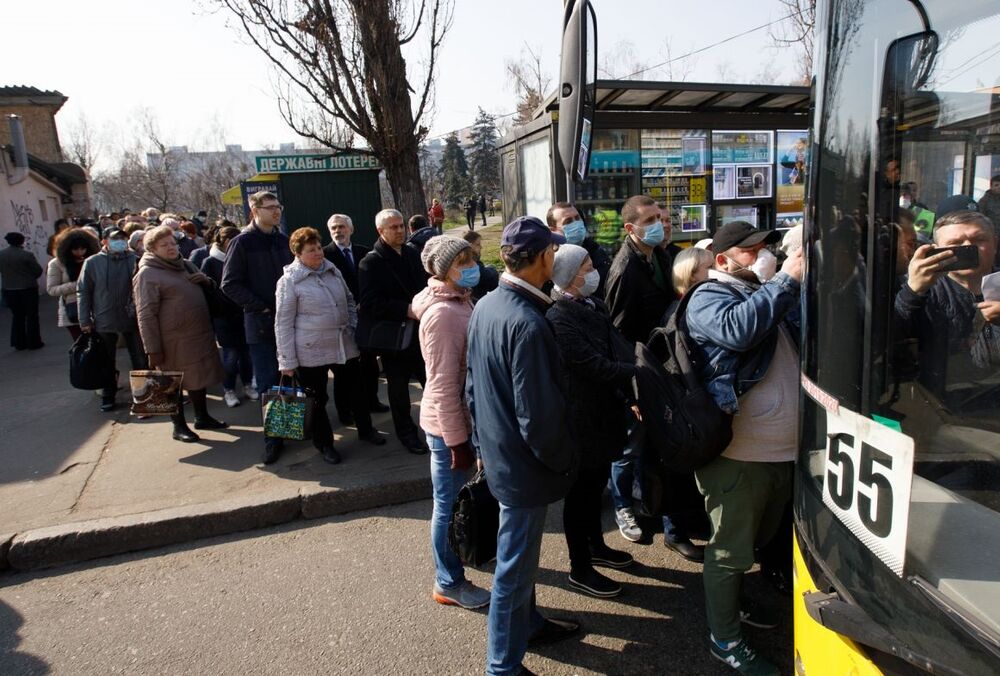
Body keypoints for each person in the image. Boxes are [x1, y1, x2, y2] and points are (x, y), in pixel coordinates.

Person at [683, 220, 804, 675]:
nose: (764, 255)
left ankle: (734, 607)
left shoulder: (771, 294)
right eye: (752, 250)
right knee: (730, 552)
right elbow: (738, 332)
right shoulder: (708, 297)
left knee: (754, 541)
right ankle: (725, 639)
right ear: (722, 260)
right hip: (739, 456)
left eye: (766, 247)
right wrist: (787, 278)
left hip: (780, 451)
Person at [466, 216, 580, 675]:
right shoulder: (527, 322)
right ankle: (502, 666)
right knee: (513, 570)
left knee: (521, 559)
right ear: (539, 259)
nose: (557, 256)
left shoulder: (489, 304)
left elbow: (473, 387)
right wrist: (566, 459)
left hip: (500, 455)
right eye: (552, 251)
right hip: (522, 466)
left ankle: (528, 625)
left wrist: (480, 443)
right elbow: (539, 418)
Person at [546, 244, 636, 599]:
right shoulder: (559, 317)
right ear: (569, 276)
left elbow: (613, 348)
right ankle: (579, 566)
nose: (593, 270)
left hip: (604, 414)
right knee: (581, 494)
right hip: (582, 420)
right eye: (586, 266)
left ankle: (597, 546)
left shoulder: (591, 304)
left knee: (596, 486)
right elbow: (593, 365)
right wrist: (639, 374)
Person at [410, 235, 491, 610]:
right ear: (442, 271)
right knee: (448, 505)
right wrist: (457, 442)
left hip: (460, 421)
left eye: (471, 258)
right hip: (447, 428)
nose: (471, 267)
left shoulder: (459, 299)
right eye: (462, 262)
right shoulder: (443, 315)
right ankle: (448, 581)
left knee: (453, 501)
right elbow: (441, 385)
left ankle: (458, 562)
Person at [603, 195, 679, 550]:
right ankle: (623, 507)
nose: (660, 224)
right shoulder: (624, 269)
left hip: (658, 367)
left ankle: (649, 501)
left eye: (661, 217)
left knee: (653, 443)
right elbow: (616, 333)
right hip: (637, 373)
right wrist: (629, 389)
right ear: (631, 228)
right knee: (628, 447)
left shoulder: (659, 255)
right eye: (650, 220)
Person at [275, 227, 386, 464]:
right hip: (309, 349)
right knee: (316, 398)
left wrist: (353, 326)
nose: (317, 253)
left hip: (343, 343)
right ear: (298, 253)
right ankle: (324, 443)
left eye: (318, 247)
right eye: (311, 250)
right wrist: (286, 361)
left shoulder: (331, 270)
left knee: (357, 389)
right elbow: (282, 323)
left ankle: (366, 430)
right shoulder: (289, 281)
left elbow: (348, 299)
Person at [894, 210, 1000, 408]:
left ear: (995, 244)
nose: (968, 247)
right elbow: (887, 344)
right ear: (938, 250)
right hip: (938, 408)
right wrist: (912, 292)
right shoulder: (924, 288)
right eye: (956, 243)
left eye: (979, 239)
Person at [134, 225, 228, 443]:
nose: (171, 248)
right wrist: (152, 349)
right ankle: (178, 426)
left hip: (198, 335)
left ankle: (202, 417)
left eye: (173, 243)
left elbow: (210, 287)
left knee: (199, 377)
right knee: (170, 382)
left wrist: (206, 281)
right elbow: (145, 314)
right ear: (152, 249)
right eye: (164, 245)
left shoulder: (185, 264)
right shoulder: (148, 273)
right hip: (171, 341)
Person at [221, 190, 294, 464]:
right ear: (254, 211)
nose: (276, 211)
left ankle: (292, 427)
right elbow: (229, 285)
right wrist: (260, 306)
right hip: (261, 326)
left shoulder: (284, 241)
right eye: (270, 207)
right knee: (268, 384)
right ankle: (273, 440)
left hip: (289, 323)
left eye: (278, 206)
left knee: (291, 380)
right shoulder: (242, 243)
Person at [357, 208, 429, 455]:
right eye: (394, 227)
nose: (400, 231)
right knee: (399, 393)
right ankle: (407, 434)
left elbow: (424, 285)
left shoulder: (411, 252)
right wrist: (406, 309)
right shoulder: (371, 262)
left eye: (401, 226)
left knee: (431, 384)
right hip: (395, 339)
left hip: (421, 333)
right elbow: (370, 303)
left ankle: (436, 429)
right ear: (380, 231)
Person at [322, 213, 389, 421]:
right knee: (344, 370)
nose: (338, 231)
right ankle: (345, 410)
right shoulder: (324, 256)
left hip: (366, 317)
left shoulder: (363, 252)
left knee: (369, 364)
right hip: (340, 319)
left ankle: (372, 400)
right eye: (333, 228)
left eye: (341, 227)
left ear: (351, 229)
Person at [78, 227, 147, 411]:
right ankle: (108, 395)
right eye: (115, 239)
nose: (120, 243)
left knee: (140, 358)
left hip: (132, 318)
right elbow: (83, 292)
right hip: (104, 318)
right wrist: (84, 320)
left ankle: (143, 396)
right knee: (106, 360)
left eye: (123, 239)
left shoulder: (135, 259)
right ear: (104, 241)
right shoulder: (92, 263)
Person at [201, 225, 256, 408]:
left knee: (247, 354)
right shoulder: (210, 262)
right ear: (223, 242)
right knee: (231, 357)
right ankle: (229, 389)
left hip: (244, 313)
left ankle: (248, 385)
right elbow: (208, 291)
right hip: (224, 317)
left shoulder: (242, 258)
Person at [546, 202, 611, 299]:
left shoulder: (596, 251)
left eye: (577, 218)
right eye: (568, 221)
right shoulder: (548, 260)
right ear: (553, 230)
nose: (576, 223)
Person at [47, 228, 100, 341]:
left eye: (83, 248)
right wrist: (78, 284)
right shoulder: (57, 263)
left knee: (102, 345)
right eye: (75, 249)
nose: (80, 252)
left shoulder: (94, 260)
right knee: (82, 345)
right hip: (73, 309)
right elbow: (52, 289)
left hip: (98, 308)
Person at [0, 232, 44, 350]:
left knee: (17, 316)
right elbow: (38, 271)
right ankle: (34, 341)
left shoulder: (2, 255)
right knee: (32, 316)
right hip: (27, 288)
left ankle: (19, 342)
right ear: (21, 241)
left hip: (9, 289)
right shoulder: (26, 255)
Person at [461, 230, 499, 302]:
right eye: (478, 244)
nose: (481, 247)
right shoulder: (472, 263)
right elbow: (489, 279)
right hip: (476, 301)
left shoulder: (460, 261)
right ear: (470, 246)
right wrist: (493, 269)